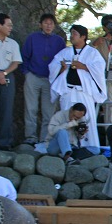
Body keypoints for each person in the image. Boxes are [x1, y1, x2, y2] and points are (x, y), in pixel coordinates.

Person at [49, 25, 106, 151]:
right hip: (68, 91)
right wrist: (62, 68)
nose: (71, 36)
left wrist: (84, 66)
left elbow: (99, 69)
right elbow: (53, 66)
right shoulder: (65, 52)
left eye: (74, 33)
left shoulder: (92, 53)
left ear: (83, 37)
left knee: (86, 119)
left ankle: (89, 148)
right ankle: (68, 147)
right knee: (67, 119)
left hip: (84, 92)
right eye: (71, 33)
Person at [21, 14, 66, 145]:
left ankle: (44, 138)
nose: (48, 25)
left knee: (48, 111)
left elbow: (64, 60)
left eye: (51, 23)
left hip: (51, 80)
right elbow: (24, 56)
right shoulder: (32, 38)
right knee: (31, 108)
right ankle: (30, 137)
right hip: (33, 76)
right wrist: (26, 73)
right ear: (40, 24)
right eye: (45, 23)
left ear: (54, 26)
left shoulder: (59, 41)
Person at [0, 14, 22, 150]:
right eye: (8, 25)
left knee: (7, 110)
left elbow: (16, 62)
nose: (11, 28)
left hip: (8, 76)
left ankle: (5, 142)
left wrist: (4, 73)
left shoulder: (13, 44)